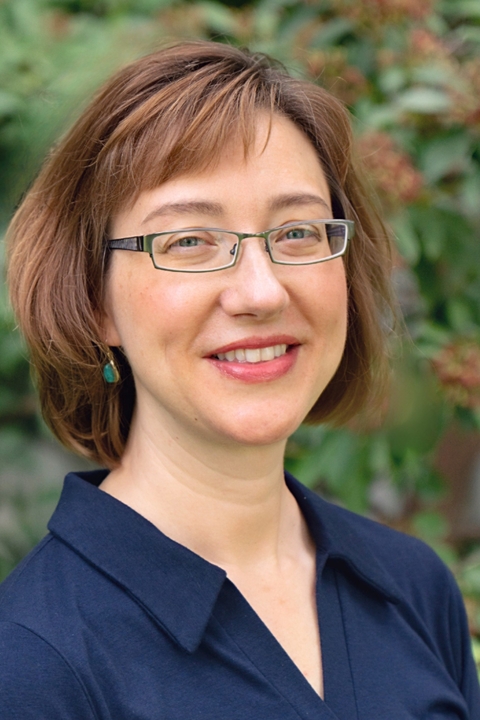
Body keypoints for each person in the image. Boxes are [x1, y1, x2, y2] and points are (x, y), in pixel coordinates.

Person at [0, 40, 478, 719]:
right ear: (94, 299)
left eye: (298, 232)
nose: (261, 291)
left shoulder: (412, 587)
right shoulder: (31, 663)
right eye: (190, 241)